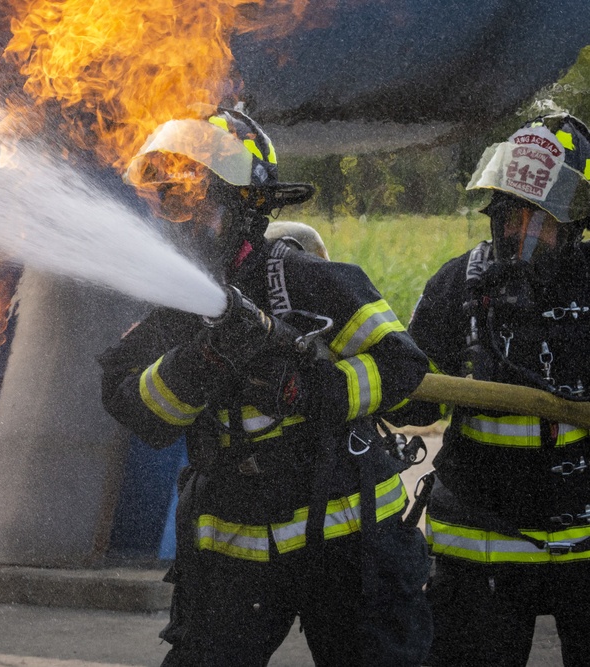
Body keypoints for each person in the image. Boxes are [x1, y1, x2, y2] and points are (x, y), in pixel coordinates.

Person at [98, 104, 433, 666]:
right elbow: (141, 413)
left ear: (242, 206)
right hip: (234, 545)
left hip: (349, 536)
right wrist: (202, 359)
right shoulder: (174, 309)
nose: (180, 220)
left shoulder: (308, 280)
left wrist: (314, 390)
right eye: (171, 201)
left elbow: (402, 366)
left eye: (196, 200)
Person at [394, 113, 590, 666]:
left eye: (539, 220)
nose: (519, 235)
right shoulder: (457, 285)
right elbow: (415, 398)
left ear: (574, 225)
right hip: (480, 545)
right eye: (510, 215)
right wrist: (391, 381)